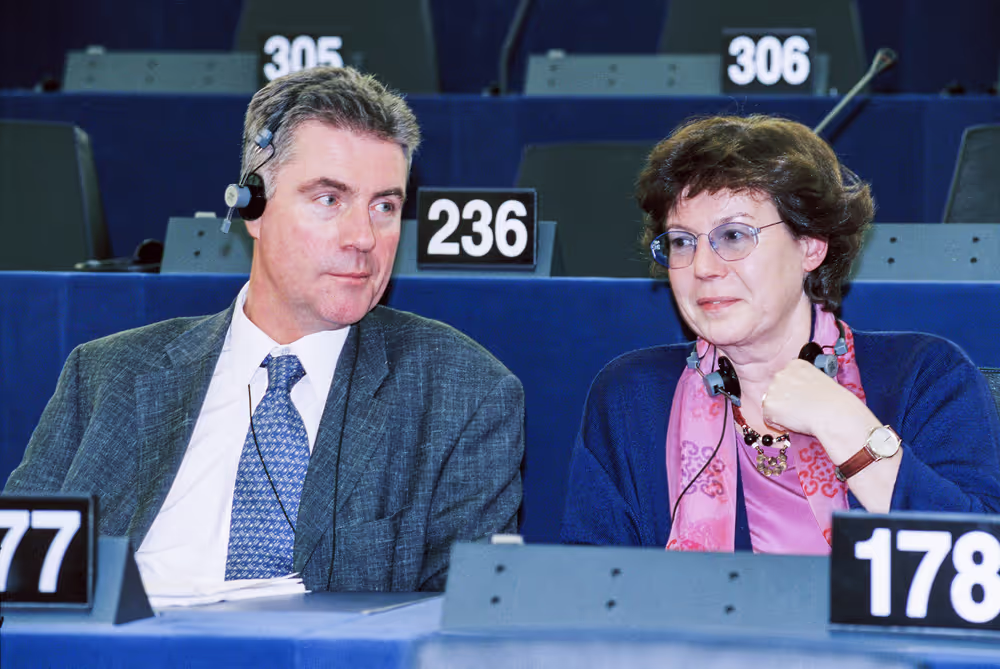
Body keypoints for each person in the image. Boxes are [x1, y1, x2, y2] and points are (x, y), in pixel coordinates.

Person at [5, 66, 524, 592]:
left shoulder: (461, 394)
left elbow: (461, 614)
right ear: (252, 206)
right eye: (330, 200)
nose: (363, 237)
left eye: (384, 206)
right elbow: (16, 581)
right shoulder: (106, 375)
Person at [561, 114, 1000, 552]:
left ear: (810, 244)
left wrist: (842, 422)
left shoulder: (924, 378)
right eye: (682, 241)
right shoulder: (631, 398)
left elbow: (979, 559)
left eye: (734, 236)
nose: (703, 267)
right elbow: (592, 584)